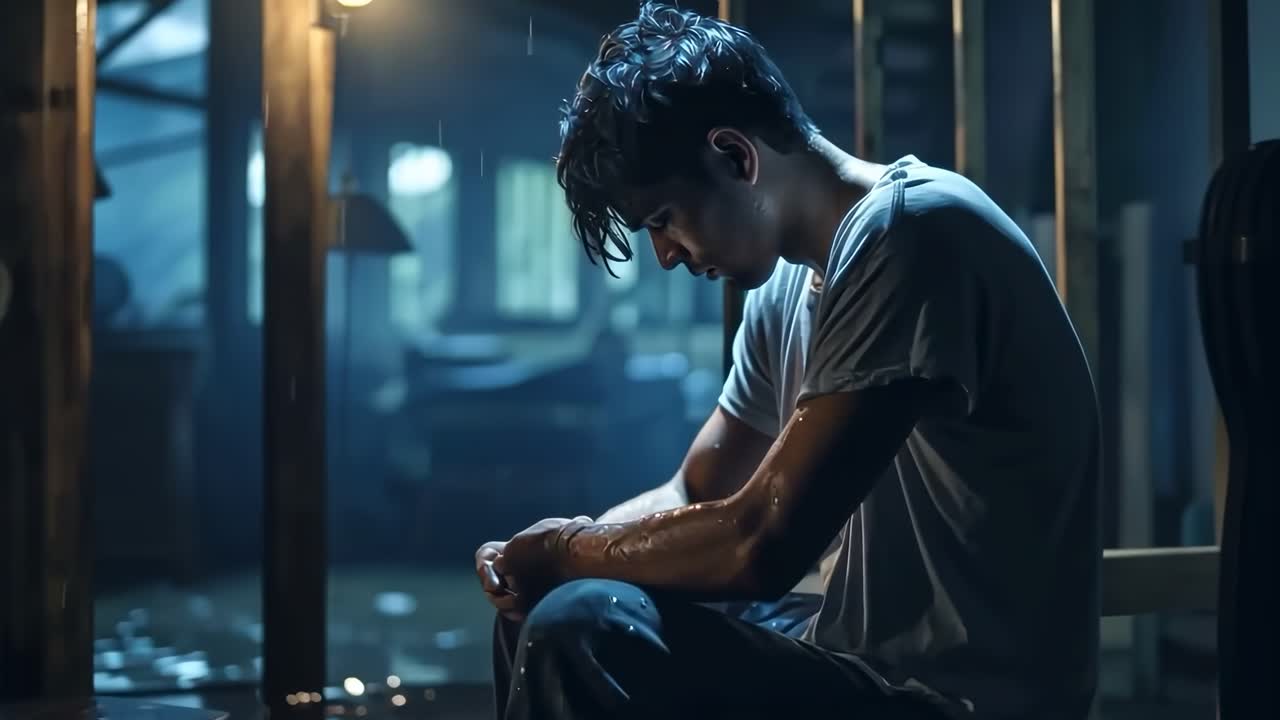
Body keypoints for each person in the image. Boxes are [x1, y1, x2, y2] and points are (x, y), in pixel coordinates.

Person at [474, 3, 1101, 719]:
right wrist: (543, 556)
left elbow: (760, 543)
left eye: (664, 220)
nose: (667, 255)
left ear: (737, 157)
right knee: (543, 608)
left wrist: (568, 553)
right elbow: (694, 492)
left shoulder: (913, 235)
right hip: (841, 655)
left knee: (580, 626)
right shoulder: (783, 288)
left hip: (954, 698)